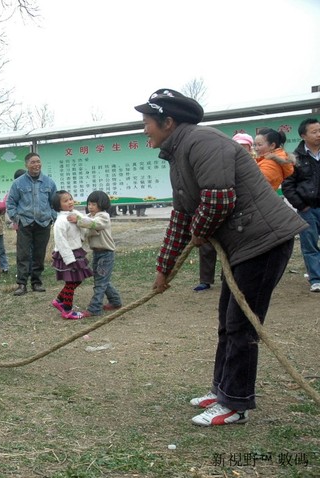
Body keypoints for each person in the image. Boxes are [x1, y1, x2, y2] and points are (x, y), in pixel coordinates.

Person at [135, 88, 307, 426]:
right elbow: (182, 216)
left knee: (240, 326)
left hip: (263, 242)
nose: (144, 130)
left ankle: (235, 404)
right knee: (227, 324)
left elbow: (218, 200)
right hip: (242, 246)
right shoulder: (177, 153)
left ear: (168, 122)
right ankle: (223, 389)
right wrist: (163, 270)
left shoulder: (203, 143)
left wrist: (198, 231)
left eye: (147, 123)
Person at [193, 133, 256, 292]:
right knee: (206, 244)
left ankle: (227, 276)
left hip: (238, 212)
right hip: (215, 208)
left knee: (230, 246)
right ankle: (205, 279)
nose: (241, 149)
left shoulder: (254, 163)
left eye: (244, 146)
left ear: (250, 147)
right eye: (238, 145)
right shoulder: (219, 161)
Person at [6, 153, 57, 296]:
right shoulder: (18, 183)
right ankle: (22, 284)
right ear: (26, 165)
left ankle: (36, 282)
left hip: (43, 222)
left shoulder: (49, 182)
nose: (36, 165)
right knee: (23, 254)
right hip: (25, 223)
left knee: (39, 253)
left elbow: (54, 203)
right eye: (33, 162)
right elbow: (11, 203)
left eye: (38, 162)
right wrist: (16, 218)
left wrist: (52, 216)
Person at [282, 118, 320, 292]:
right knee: (309, 244)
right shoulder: (295, 158)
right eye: (314, 132)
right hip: (308, 209)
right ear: (303, 135)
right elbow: (288, 185)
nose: (319, 134)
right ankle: (316, 279)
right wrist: (301, 205)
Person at [71, 190, 122, 318]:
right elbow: (85, 229)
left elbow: (93, 224)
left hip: (106, 254)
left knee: (100, 282)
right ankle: (115, 301)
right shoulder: (89, 217)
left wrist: (77, 220)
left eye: (94, 204)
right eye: (89, 204)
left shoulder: (103, 217)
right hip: (97, 253)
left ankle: (95, 308)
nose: (90, 207)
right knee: (102, 280)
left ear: (102, 204)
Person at [49, 190, 92, 320]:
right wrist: (69, 259)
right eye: (65, 201)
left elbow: (85, 221)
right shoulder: (60, 221)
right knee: (71, 281)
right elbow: (61, 242)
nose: (70, 202)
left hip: (76, 251)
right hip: (67, 254)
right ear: (58, 205)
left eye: (71, 199)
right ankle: (67, 310)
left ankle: (59, 300)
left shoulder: (75, 214)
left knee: (78, 279)